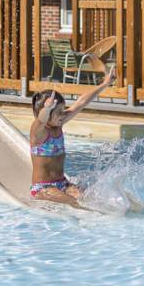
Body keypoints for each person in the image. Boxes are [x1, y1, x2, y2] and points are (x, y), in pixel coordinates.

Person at [29, 65, 116, 205]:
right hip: (43, 188)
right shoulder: (38, 132)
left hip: (63, 184)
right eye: (58, 112)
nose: (63, 114)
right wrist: (46, 109)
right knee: (75, 203)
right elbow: (41, 119)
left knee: (90, 198)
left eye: (63, 110)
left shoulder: (59, 123)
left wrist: (105, 83)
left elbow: (81, 102)